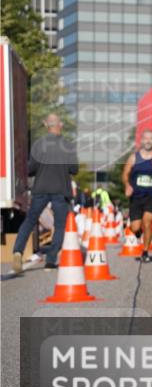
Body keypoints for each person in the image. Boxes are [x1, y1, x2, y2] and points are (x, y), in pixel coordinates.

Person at [11, 113, 79, 272]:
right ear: (60, 125)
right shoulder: (68, 146)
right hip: (60, 190)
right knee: (60, 225)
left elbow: (30, 170)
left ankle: (17, 251)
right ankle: (50, 260)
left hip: (40, 188)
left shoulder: (38, 144)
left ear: (45, 125)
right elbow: (74, 169)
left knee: (30, 221)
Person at [122, 129, 152, 262]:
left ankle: (145, 252)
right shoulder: (134, 157)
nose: (148, 141)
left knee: (148, 222)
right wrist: (127, 185)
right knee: (135, 227)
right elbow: (125, 174)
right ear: (141, 140)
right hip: (136, 196)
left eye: (150, 138)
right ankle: (138, 233)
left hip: (151, 196)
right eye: (145, 138)